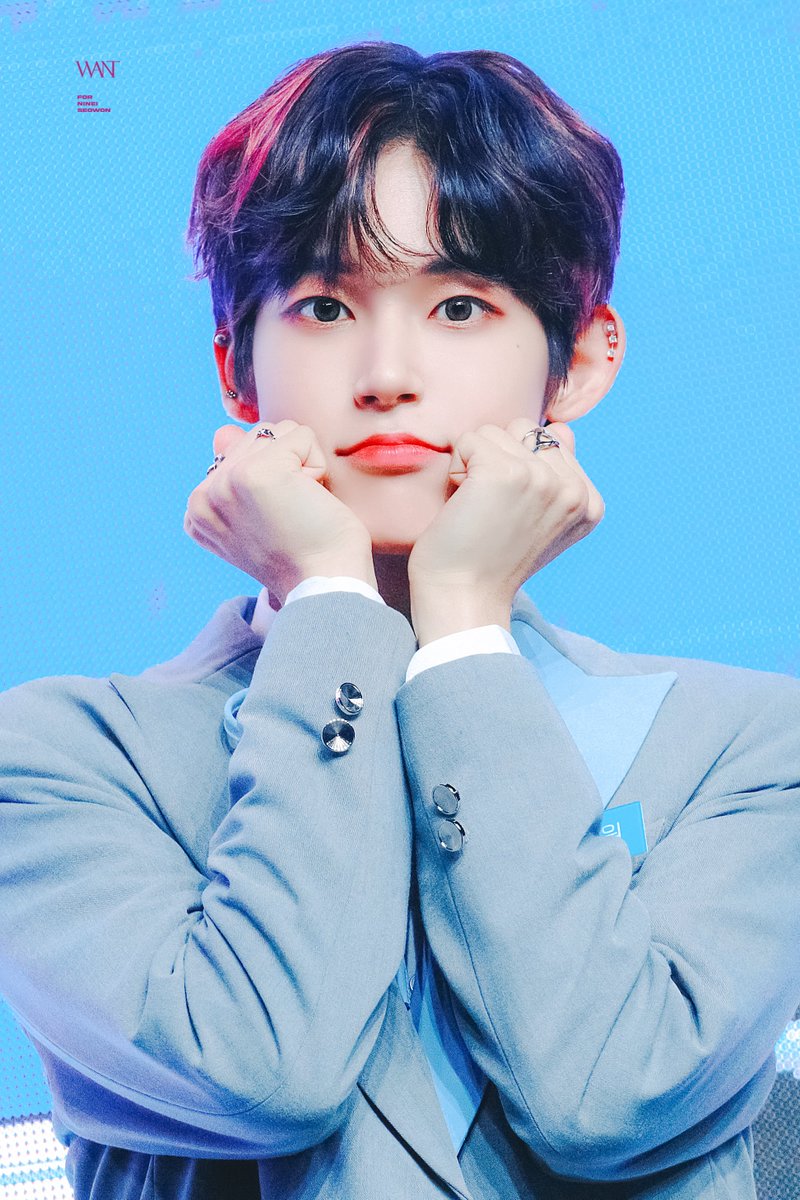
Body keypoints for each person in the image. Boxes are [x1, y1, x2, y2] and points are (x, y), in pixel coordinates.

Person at [1, 39, 798, 1200]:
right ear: (235, 370)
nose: (386, 373)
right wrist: (329, 601)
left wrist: (463, 627)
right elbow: (261, 1069)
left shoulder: (744, 745)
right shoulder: (65, 757)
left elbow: (607, 1094)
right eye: (323, 306)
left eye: (460, 306)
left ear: (578, 364)